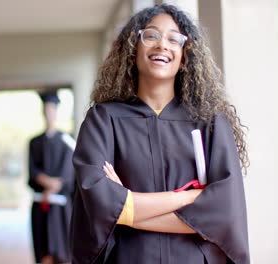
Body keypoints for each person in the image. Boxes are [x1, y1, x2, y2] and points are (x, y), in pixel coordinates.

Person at [70, 4, 249, 264]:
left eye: (174, 39)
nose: (162, 44)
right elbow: (99, 203)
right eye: (151, 35)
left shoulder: (209, 122)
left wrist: (129, 207)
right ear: (133, 51)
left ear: (185, 57)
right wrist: (192, 196)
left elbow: (223, 211)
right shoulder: (105, 120)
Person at [28, 91, 75, 264]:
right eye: (46, 109)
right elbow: (32, 171)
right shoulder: (34, 142)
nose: (49, 113)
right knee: (44, 251)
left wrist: (55, 185)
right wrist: (47, 184)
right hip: (42, 203)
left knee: (63, 252)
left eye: (52, 109)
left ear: (56, 112)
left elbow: (69, 171)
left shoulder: (67, 140)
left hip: (62, 206)